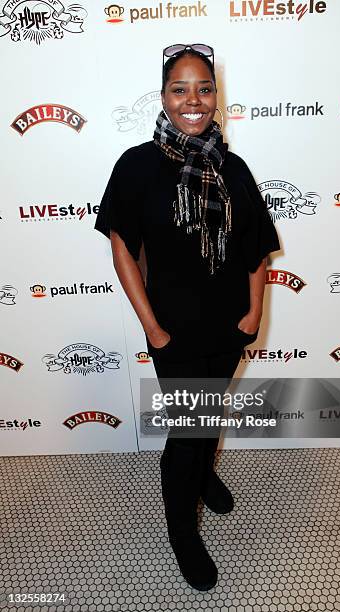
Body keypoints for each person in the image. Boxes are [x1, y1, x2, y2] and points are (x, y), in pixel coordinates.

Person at [94, 43, 281, 591]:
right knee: (188, 431)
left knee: (210, 414)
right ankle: (183, 530)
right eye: (181, 89)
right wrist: (152, 327)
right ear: (164, 97)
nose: (193, 100)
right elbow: (122, 248)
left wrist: (254, 314)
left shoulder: (233, 165)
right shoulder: (137, 165)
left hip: (227, 327)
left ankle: (203, 479)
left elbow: (255, 249)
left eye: (204, 88)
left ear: (215, 98)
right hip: (172, 331)